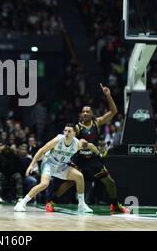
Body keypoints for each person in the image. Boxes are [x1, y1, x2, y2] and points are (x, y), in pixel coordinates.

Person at [50, 84, 128, 213]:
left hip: (93, 160)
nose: (85, 113)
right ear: (81, 114)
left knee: (110, 182)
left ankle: (115, 204)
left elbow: (113, 112)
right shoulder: (77, 127)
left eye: (88, 111)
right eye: (83, 111)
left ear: (92, 114)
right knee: (70, 182)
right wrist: (81, 141)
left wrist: (108, 95)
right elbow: (73, 138)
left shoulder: (97, 122)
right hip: (79, 160)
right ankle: (51, 202)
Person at [14, 124, 94, 213]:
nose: (66, 133)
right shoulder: (58, 140)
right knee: (44, 184)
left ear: (74, 133)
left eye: (69, 131)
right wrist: (31, 165)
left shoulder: (77, 144)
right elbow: (42, 150)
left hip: (62, 166)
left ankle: (82, 205)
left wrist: (97, 152)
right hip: (49, 163)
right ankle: (21, 203)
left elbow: (90, 146)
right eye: (65, 131)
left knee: (79, 176)